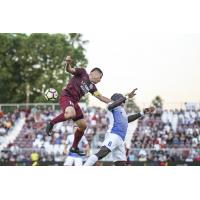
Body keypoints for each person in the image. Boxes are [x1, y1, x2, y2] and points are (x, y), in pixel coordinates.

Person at [46, 55, 111, 155]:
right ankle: (51, 123)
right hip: (67, 96)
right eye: (100, 77)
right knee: (70, 114)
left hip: (74, 102)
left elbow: (101, 98)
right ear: (94, 74)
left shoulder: (92, 87)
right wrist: (68, 63)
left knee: (83, 126)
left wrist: (114, 101)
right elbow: (69, 70)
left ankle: (74, 147)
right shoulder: (82, 72)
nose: (100, 80)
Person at [84, 93, 155, 166]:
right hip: (113, 134)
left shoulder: (121, 110)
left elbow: (126, 119)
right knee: (102, 153)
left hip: (120, 138)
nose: (123, 103)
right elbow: (112, 105)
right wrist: (126, 97)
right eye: (121, 100)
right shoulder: (111, 105)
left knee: (121, 163)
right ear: (117, 100)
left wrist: (142, 113)